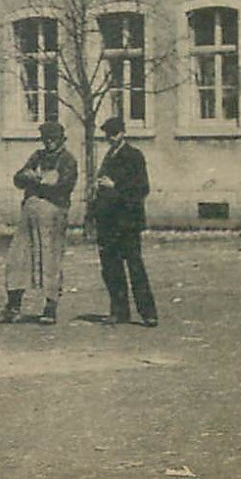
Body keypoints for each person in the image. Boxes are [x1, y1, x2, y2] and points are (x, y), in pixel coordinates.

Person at [0, 120, 78, 325]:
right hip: (29, 213)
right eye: (46, 139)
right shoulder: (38, 156)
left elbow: (63, 187)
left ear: (61, 139)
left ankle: (50, 307)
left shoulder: (67, 160)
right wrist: (33, 178)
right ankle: (13, 305)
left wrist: (38, 182)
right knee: (18, 256)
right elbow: (18, 178)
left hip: (53, 214)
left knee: (50, 259)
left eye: (53, 139)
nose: (49, 143)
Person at [93, 117, 158, 327]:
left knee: (135, 266)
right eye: (107, 135)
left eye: (112, 134)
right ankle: (120, 311)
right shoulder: (110, 155)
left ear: (122, 133)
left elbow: (141, 188)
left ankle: (148, 313)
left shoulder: (133, 155)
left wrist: (115, 186)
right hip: (109, 222)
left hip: (127, 222)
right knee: (111, 268)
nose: (109, 138)